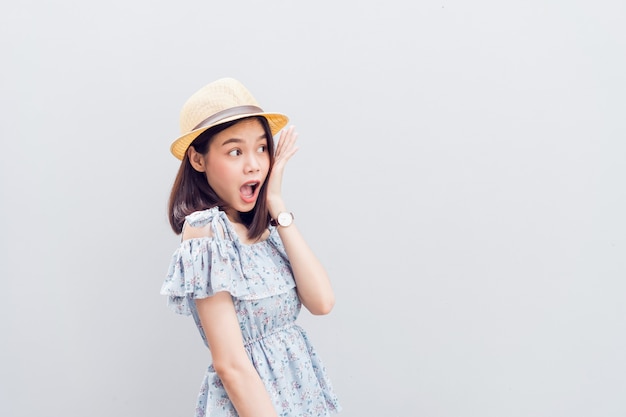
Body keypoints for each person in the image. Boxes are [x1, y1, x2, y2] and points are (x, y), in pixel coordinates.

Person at [160, 77, 341, 417]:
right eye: (235, 151)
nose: (254, 164)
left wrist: (275, 202)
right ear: (198, 161)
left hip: (301, 401)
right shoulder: (205, 234)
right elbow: (230, 364)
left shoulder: (265, 233)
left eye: (261, 148)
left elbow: (322, 301)